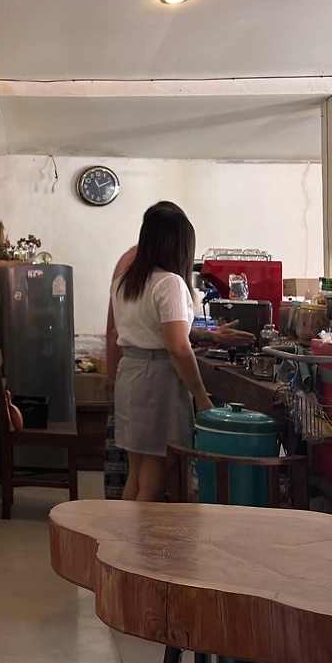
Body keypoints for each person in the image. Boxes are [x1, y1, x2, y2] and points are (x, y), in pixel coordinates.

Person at [110, 202, 253, 502]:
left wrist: (210, 335)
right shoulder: (169, 283)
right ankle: (137, 535)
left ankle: (122, 533)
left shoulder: (125, 280)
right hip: (158, 382)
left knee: (137, 474)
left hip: (131, 375)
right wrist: (201, 396)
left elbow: (157, 331)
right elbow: (176, 346)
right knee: (155, 479)